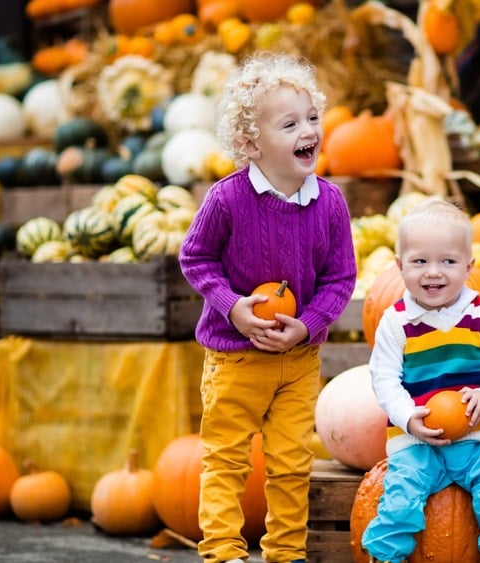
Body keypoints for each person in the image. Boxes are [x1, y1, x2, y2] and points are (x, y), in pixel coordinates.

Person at [179, 51, 356, 563]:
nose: (309, 131)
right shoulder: (226, 199)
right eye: (290, 123)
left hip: (297, 361)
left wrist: (308, 326)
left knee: (292, 462)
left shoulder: (330, 203)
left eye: (312, 118)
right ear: (250, 142)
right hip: (235, 357)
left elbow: (340, 278)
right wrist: (231, 306)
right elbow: (196, 258)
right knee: (227, 458)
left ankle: (285, 553)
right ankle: (223, 551)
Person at [362, 199, 480, 563]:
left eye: (448, 261)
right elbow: (384, 379)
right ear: (399, 267)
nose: (433, 272)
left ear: (469, 266)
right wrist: (407, 416)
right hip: (418, 440)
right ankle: (384, 556)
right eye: (419, 261)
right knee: (399, 496)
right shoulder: (395, 324)